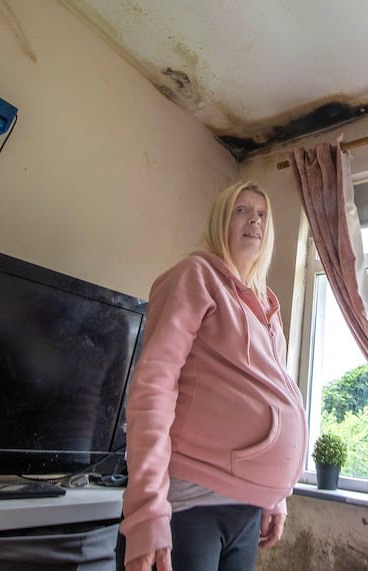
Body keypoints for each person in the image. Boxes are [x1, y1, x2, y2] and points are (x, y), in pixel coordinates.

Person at [120, 181, 307, 571]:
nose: (254, 219)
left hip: (248, 512)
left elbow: (272, 394)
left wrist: (275, 495)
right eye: (241, 210)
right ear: (221, 220)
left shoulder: (269, 306)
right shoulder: (196, 275)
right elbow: (153, 388)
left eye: (261, 213)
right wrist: (147, 510)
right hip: (190, 505)